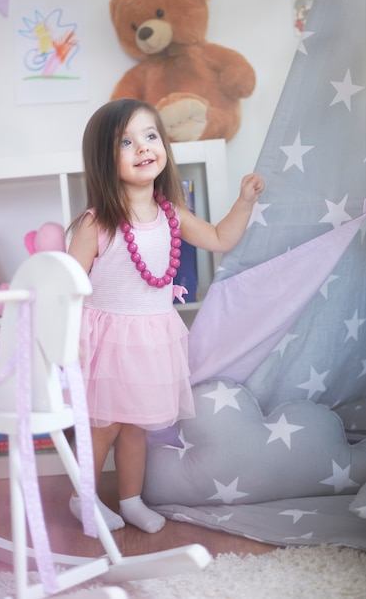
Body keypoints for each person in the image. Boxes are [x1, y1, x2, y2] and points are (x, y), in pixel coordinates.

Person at [67, 98, 265, 534]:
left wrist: (244, 202)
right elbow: (67, 288)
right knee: (105, 427)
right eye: (126, 141)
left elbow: (218, 238)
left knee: (137, 428)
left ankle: (131, 499)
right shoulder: (95, 223)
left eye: (150, 136)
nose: (143, 147)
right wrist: (70, 348)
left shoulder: (171, 214)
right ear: (103, 158)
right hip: (104, 342)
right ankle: (83, 499)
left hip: (151, 341)